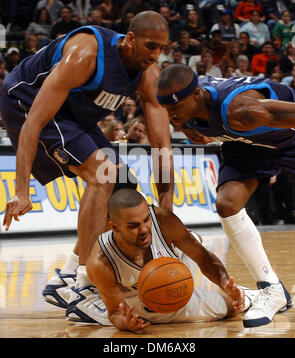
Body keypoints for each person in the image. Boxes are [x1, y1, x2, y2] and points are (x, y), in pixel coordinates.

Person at [1, 11, 174, 322]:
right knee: (102, 174)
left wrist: (166, 204)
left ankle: (65, 278)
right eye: (151, 46)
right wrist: (21, 190)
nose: (155, 55)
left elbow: (162, 146)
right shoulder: (86, 54)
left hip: (72, 114)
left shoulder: (148, 74)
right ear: (130, 39)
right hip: (25, 102)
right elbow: (34, 122)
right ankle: (85, 287)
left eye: (162, 48)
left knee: (122, 186)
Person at [156, 63, 295, 328]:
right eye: (167, 109)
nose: (170, 116)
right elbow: (182, 114)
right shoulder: (188, 103)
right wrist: (187, 126)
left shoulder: (243, 110)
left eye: (175, 109)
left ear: (196, 94)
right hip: (249, 145)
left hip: (291, 138)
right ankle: (271, 288)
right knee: (227, 203)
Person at [83, 188, 258, 331]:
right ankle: (85, 302)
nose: (144, 229)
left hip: (168, 272)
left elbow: (203, 258)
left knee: (193, 242)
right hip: (137, 298)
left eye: (146, 220)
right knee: (230, 308)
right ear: (114, 227)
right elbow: (115, 313)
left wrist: (225, 283)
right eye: (134, 226)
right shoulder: (101, 262)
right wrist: (126, 324)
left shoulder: (164, 220)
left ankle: (246, 294)